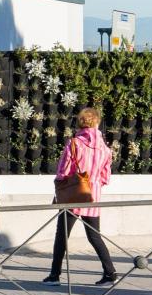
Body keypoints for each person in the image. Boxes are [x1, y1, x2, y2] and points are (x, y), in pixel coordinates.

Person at [43, 107, 119, 285]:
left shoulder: (74, 143)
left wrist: (61, 183)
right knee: (94, 236)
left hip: (73, 196)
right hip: (92, 197)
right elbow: (106, 177)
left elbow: (63, 171)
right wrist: (93, 183)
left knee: (62, 235)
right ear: (97, 122)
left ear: (80, 123)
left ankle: (54, 275)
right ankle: (110, 272)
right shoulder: (105, 148)